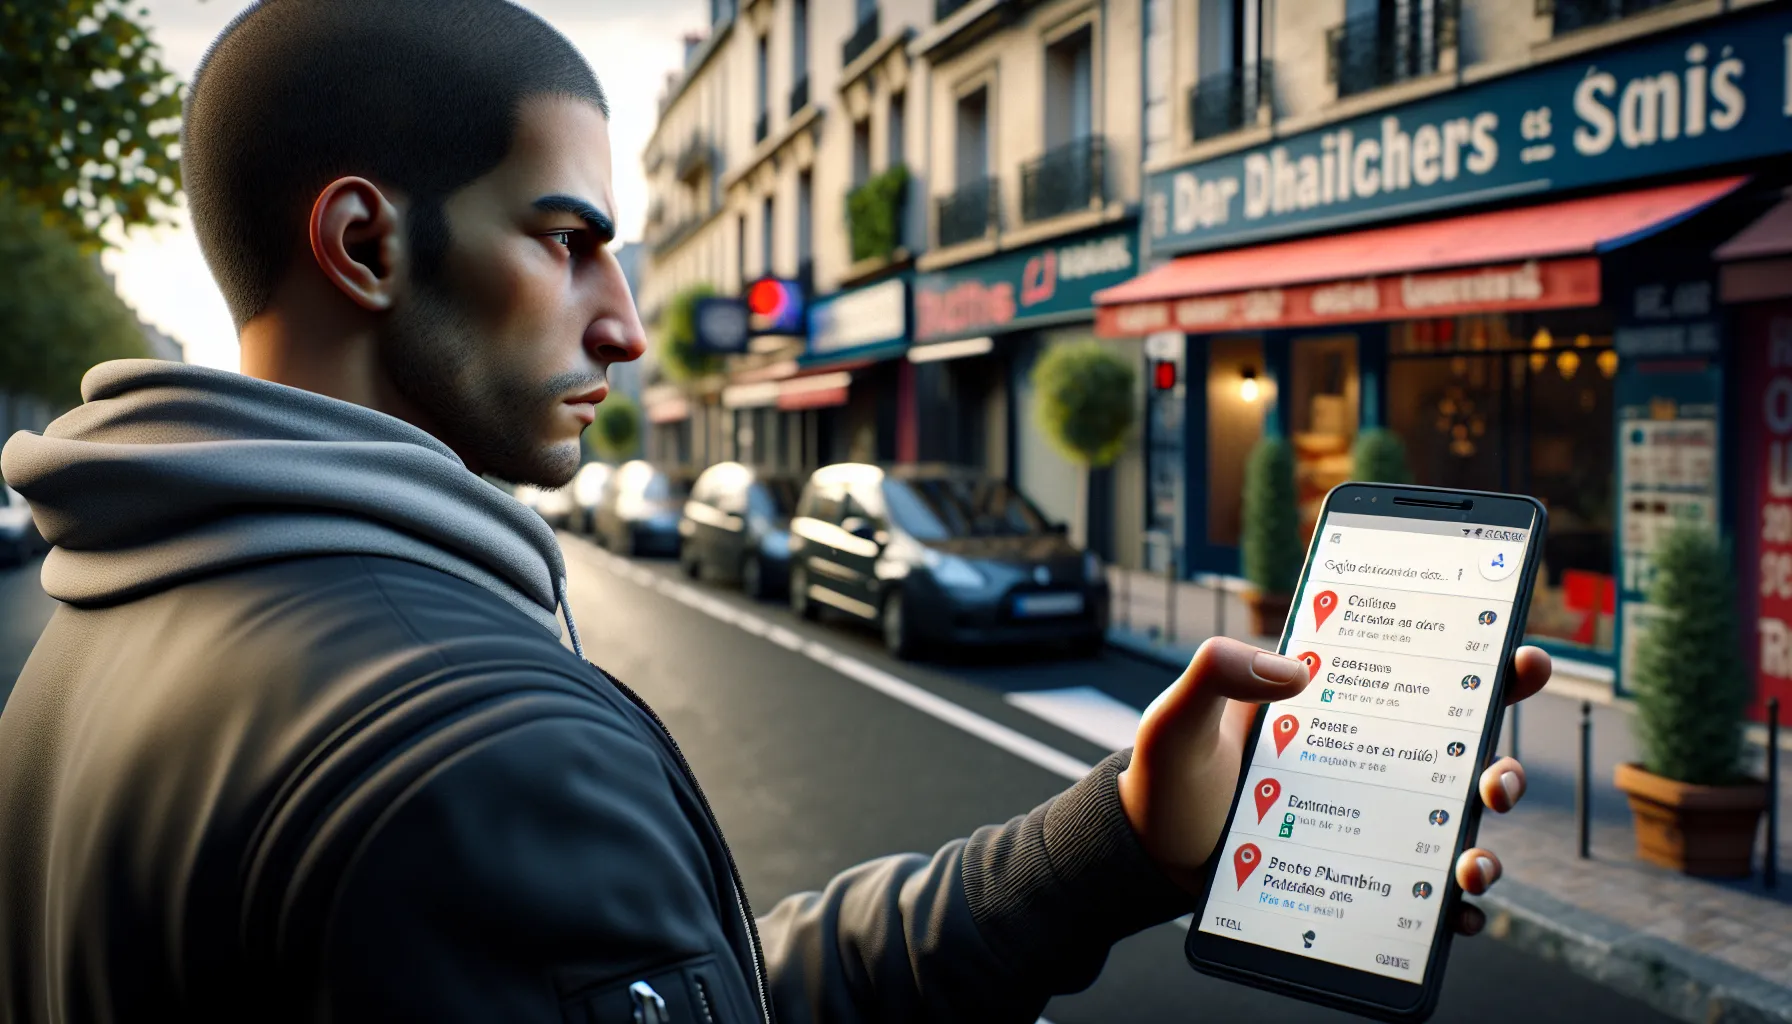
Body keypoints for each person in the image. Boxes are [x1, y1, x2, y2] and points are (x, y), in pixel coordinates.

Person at [0, 2, 1550, 1020]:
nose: (623, 321)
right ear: (364, 239)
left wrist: (1125, 845)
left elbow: (713, 992)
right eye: (566, 240)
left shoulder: (101, 630)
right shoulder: (480, 742)